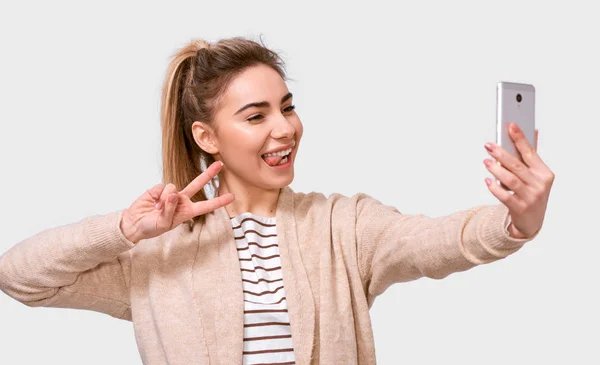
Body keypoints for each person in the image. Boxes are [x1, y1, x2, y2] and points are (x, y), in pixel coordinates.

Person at [0, 37, 554, 365]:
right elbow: (19, 277)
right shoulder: (157, 257)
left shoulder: (342, 225)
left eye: (287, 107)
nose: (285, 129)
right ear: (206, 137)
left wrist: (515, 220)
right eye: (256, 115)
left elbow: (438, 241)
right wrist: (123, 229)